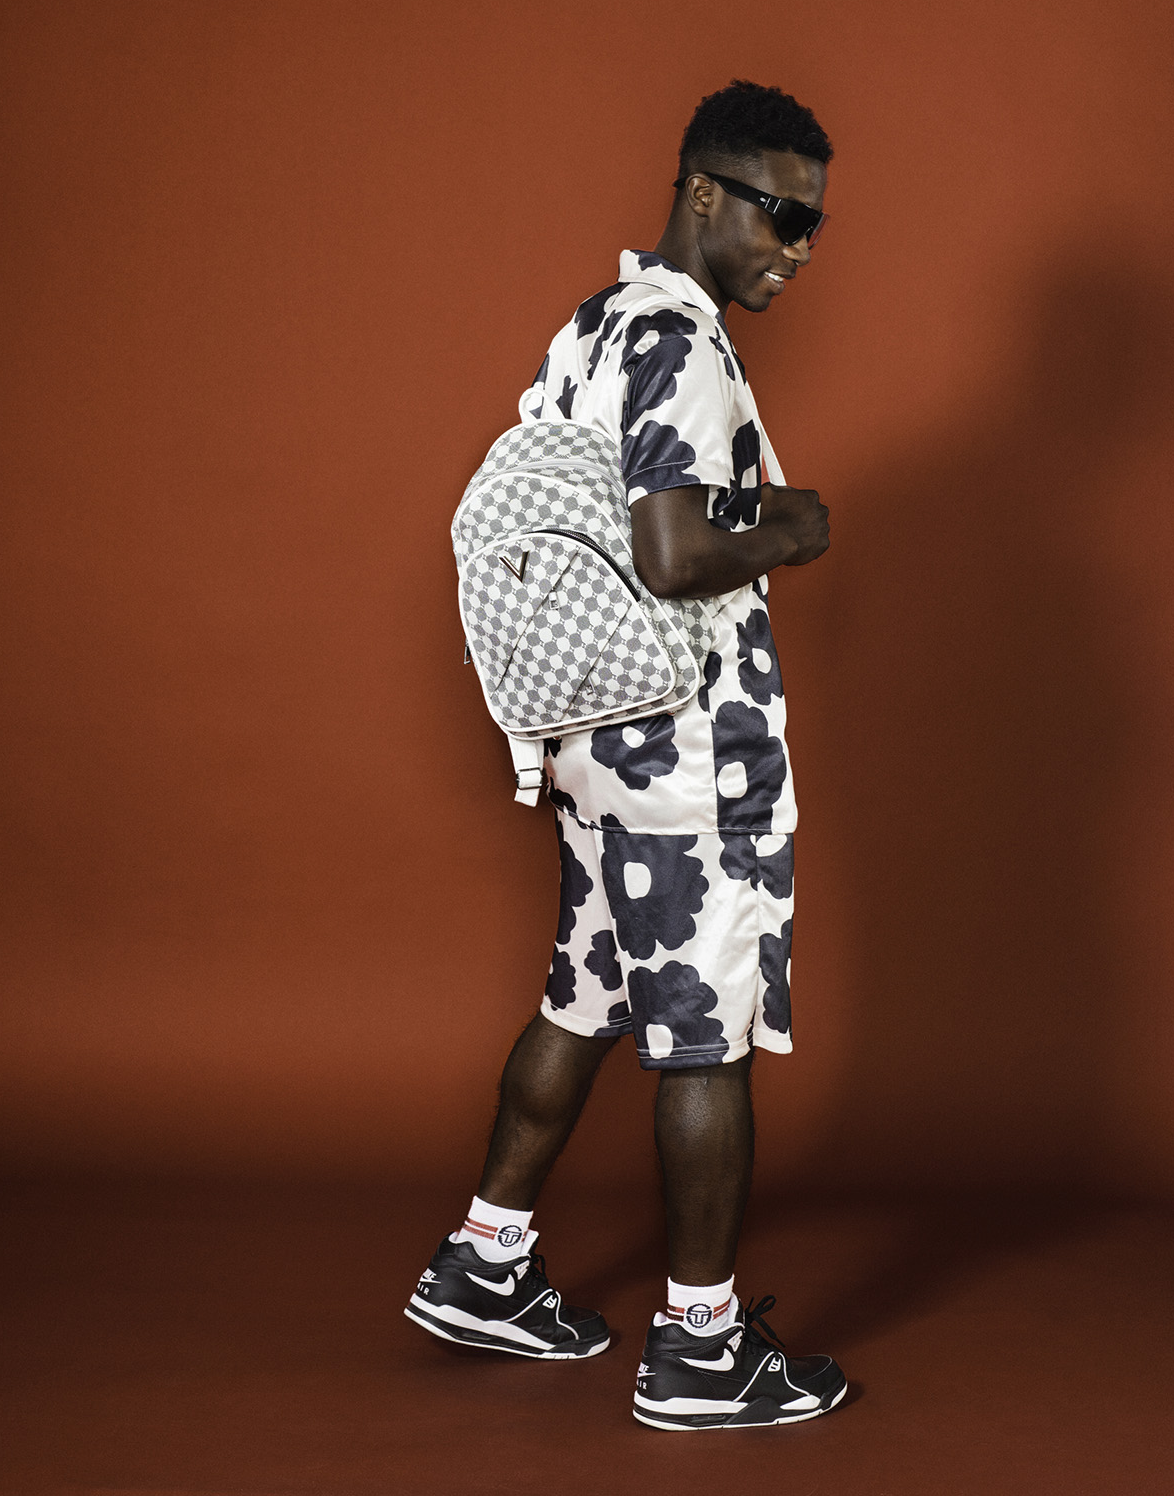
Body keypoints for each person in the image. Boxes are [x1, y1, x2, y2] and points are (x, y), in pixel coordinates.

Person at [406, 80, 843, 1432]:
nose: (797, 247)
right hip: (687, 752)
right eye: (779, 213)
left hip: (596, 738)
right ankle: (701, 1348)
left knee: (585, 993)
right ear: (703, 191)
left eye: (814, 226)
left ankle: (485, 1262)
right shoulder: (685, 342)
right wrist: (793, 526)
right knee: (705, 1037)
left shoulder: (592, 328)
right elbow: (669, 550)